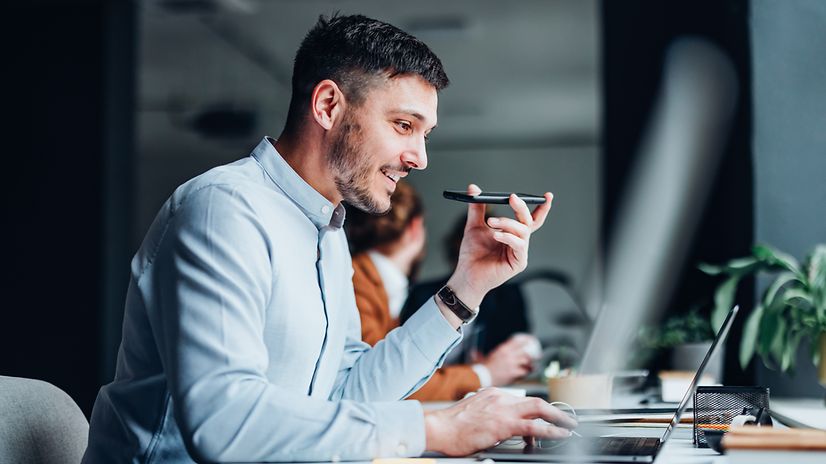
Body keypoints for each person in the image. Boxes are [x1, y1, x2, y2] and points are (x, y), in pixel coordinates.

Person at [83, 14, 573, 463]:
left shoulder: (328, 234)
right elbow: (223, 424)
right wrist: (436, 427)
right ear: (327, 105)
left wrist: (467, 286)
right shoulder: (223, 209)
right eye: (404, 125)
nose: (419, 158)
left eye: (426, 134)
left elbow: (346, 393)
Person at [346, 180, 538, 400]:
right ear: (416, 228)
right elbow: (381, 381)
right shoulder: (358, 282)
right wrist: (485, 374)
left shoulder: (381, 287)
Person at [402, 211, 534, 358]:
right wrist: (481, 371)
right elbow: (407, 354)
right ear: (456, 245)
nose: (482, 253)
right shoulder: (422, 293)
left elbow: (522, 345)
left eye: (491, 247)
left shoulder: (509, 296)